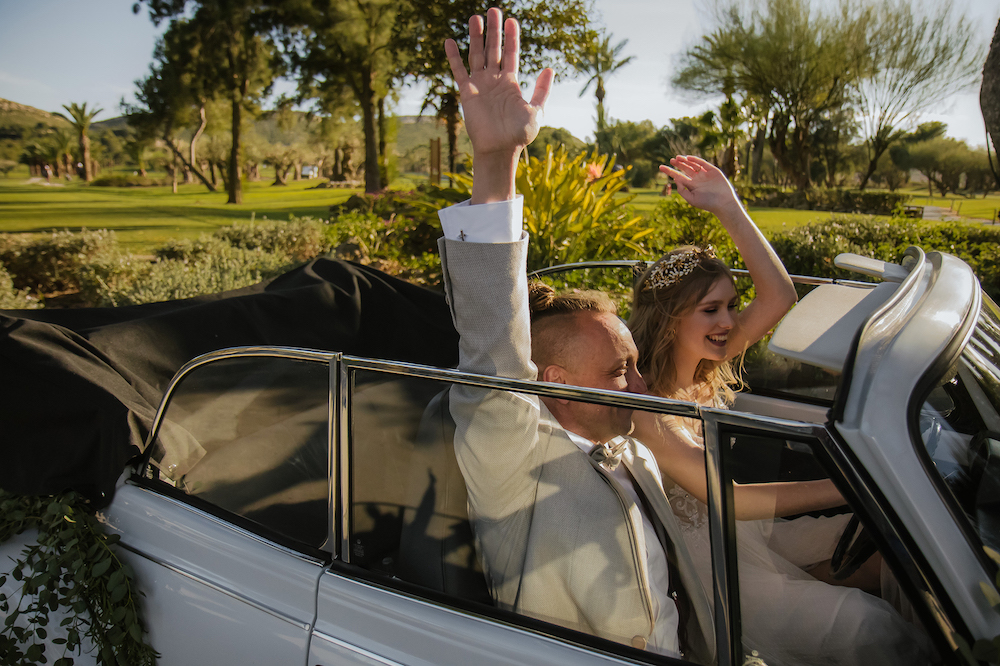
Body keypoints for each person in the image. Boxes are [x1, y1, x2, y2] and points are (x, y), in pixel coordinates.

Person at [437, 8, 714, 661]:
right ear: (553, 382)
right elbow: (491, 343)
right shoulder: (509, 453)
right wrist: (496, 158)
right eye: (620, 371)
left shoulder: (624, 435)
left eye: (635, 363)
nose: (642, 384)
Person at [628, 157, 933, 665]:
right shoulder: (647, 407)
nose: (729, 320)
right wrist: (852, 482)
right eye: (711, 310)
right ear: (667, 321)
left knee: (898, 550)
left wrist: (729, 206)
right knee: (865, 625)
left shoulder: (706, 367)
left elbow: (779, 294)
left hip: (753, 538)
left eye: (731, 303)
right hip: (714, 573)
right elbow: (728, 498)